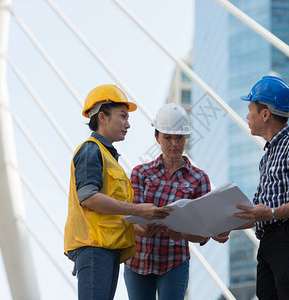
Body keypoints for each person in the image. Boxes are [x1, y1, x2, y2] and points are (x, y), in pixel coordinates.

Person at [63, 84, 172, 300]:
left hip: (106, 249)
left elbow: (110, 210)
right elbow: (88, 198)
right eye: (123, 116)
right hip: (95, 248)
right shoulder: (91, 149)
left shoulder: (109, 158)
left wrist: (137, 226)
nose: (128, 124)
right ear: (102, 118)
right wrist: (138, 209)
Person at [232, 76, 289, 300]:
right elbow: (257, 212)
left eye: (250, 109)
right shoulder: (267, 159)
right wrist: (224, 226)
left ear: (265, 114)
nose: (247, 115)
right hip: (268, 244)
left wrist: (273, 213)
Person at [124, 103, 211, 300]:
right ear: (157, 137)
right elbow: (133, 216)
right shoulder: (140, 173)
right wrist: (141, 228)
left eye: (179, 137)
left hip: (174, 262)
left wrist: (180, 233)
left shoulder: (199, 179)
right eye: (167, 137)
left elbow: (204, 235)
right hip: (137, 262)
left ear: (186, 137)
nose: (174, 143)